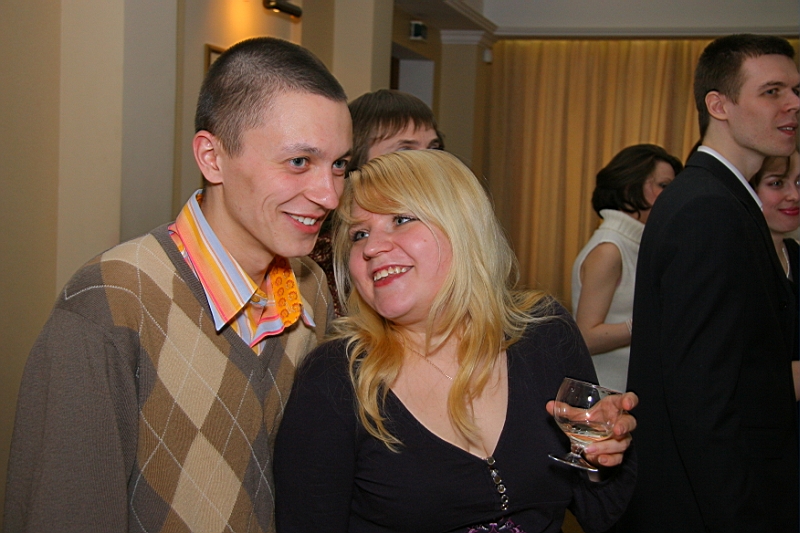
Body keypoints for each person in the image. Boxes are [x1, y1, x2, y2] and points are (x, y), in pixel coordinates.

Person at [3, 37, 351, 532]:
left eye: (339, 165)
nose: (329, 195)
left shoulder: (310, 288)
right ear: (212, 158)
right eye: (299, 162)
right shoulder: (110, 303)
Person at [274, 150, 638, 533]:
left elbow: (602, 512)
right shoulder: (335, 377)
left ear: (462, 225)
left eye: (400, 219)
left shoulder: (545, 332)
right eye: (359, 234)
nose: (372, 247)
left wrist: (602, 457)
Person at [618, 34, 800, 532]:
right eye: (772, 91)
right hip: (712, 506)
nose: (793, 104)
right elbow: (701, 395)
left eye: (796, 91)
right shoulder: (707, 209)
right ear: (718, 105)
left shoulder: (721, 199)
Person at [309, 89, 443, 315]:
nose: (429, 163)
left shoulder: (450, 228)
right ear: (358, 161)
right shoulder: (326, 255)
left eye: (433, 148)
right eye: (405, 151)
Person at [571, 144, 682, 392]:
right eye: (664, 186)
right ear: (631, 189)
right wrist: (650, 322)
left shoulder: (638, 244)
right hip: (606, 394)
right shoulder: (610, 249)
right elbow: (586, 337)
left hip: (629, 390)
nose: (672, 196)